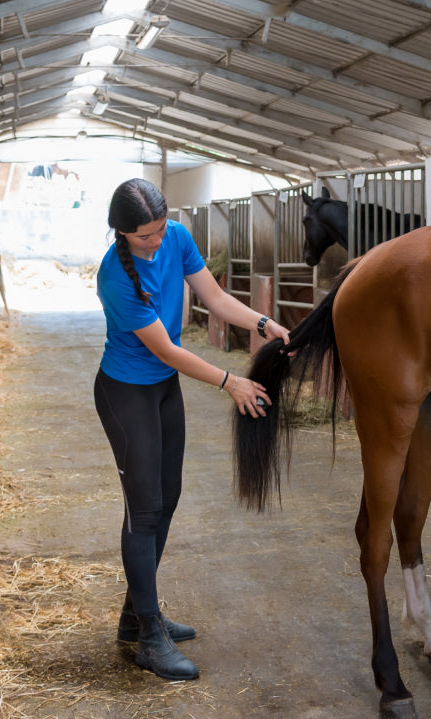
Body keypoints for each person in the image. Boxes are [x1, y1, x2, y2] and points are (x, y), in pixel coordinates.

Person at [94, 178, 291, 680]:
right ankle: (149, 637)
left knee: (169, 495)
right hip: (126, 393)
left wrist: (264, 324)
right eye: (145, 237)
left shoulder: (177, 237)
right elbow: (166, 350)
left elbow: (216, 297)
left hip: (161, 391)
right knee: (145, 507)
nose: (156, 241)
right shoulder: (114, 276)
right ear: (122, 232)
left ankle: (136, 617)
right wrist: (230, 382)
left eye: (159, 230)